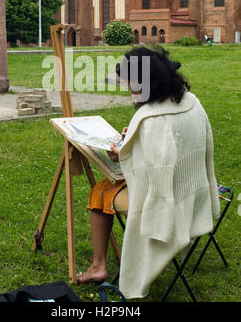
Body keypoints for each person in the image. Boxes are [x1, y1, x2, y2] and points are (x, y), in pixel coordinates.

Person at [76, 46, 220, 300]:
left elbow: (145, 177)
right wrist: (134, 141)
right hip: (193, 193)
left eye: (133, 84)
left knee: (100, 192)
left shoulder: (150, 119)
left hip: (166, 205)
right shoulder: (190, 101)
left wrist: (120, 153)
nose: (129, 89)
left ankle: (98, 267)